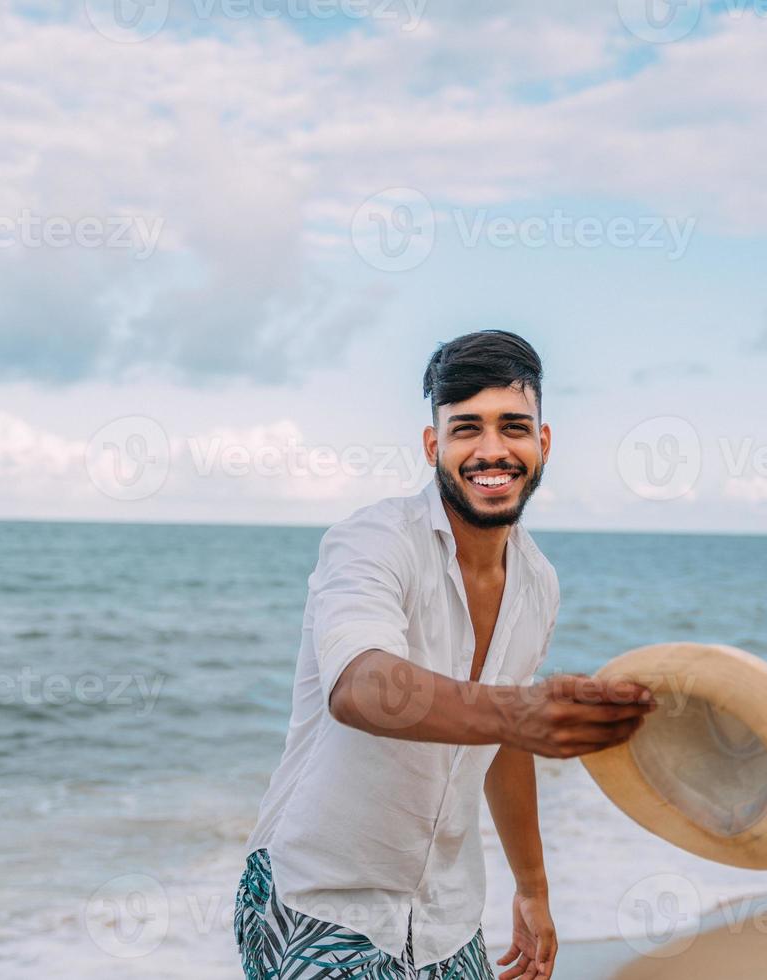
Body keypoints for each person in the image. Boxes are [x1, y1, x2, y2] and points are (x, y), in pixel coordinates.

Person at [235, 329, 657, 979]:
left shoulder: (539, 583)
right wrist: (518, 713)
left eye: (513, 426)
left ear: (542, 444)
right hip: (319, 894)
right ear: (435, 446)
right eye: (467, 429)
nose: (492, 449)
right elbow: (360, 685)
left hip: (447, 913)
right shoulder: (371, 541)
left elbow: (504, 742)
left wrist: (533, 888)